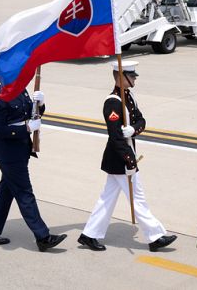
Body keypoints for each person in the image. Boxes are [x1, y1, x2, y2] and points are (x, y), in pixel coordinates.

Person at [78, 61, 176, 252]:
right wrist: (129, 161)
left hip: (123, 157)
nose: (134, 79)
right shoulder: (113, 102)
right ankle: (155, 237)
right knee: (138, 197)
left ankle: (89, 235)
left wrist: (133, 129)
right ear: (120, 77)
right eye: (131, 76)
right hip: (120, 158)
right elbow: (115, 137)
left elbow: (142, 120)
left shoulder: (128, 97)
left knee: (107, 198)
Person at [0, 87, 67, 252]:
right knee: (25, 193)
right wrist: (26, 128)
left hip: (22, 150)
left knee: (5, 191)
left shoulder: (21, 90)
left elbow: (31, 114)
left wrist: (40, 104)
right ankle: (43, 237)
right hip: (9, 155)